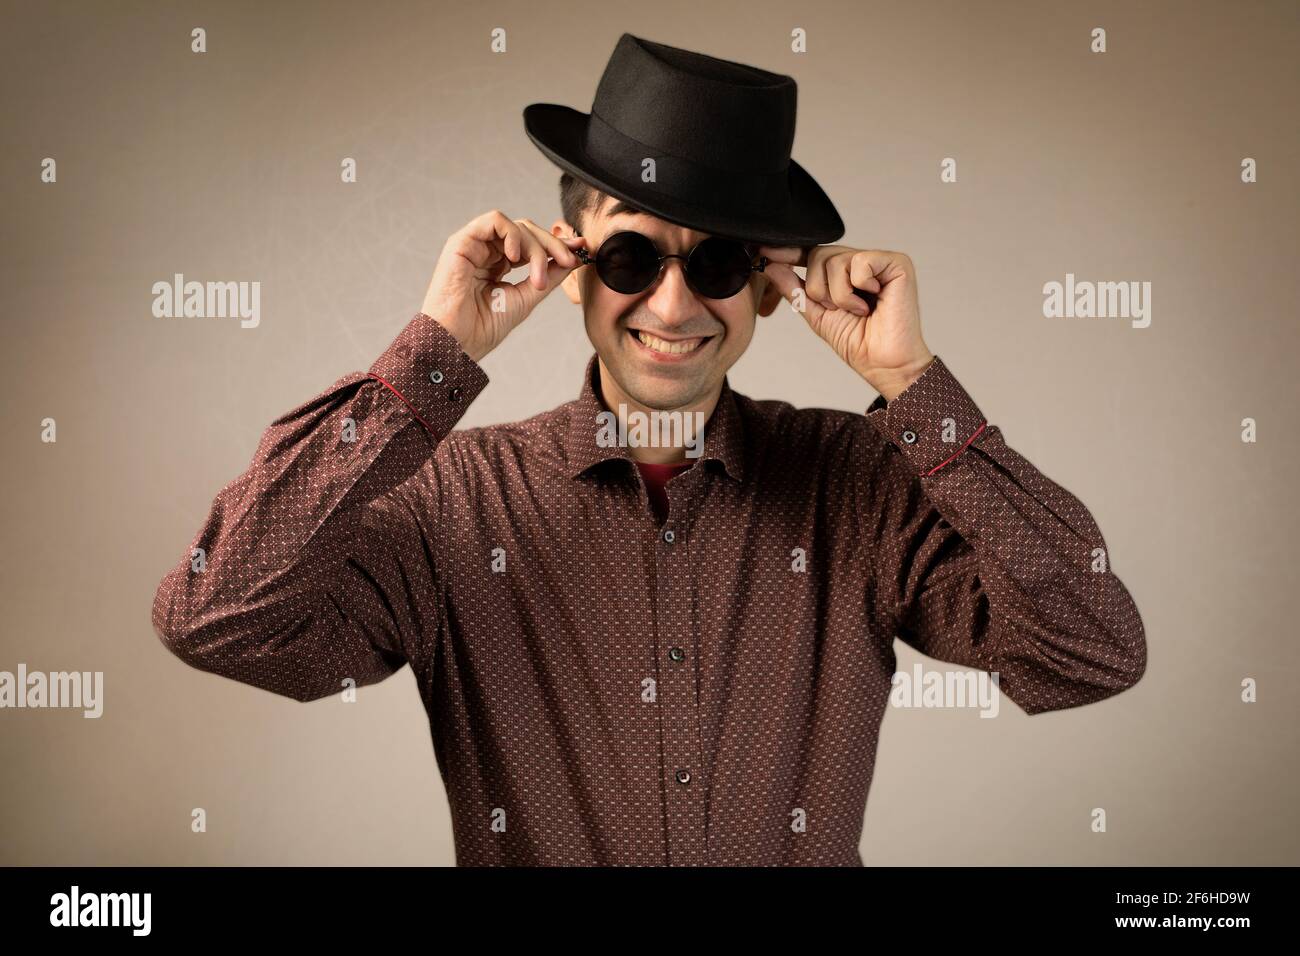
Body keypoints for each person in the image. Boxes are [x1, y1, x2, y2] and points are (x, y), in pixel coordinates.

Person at [152, 33, 1145, 866]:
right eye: (632, 257)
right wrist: (431, 355)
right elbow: (217, 614)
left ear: (766, 283)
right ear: (572, 266)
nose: (672, 306)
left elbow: (1088, 650)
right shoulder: (451, 501)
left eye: (714, 261)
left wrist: (912, 382)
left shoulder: (856, 484)